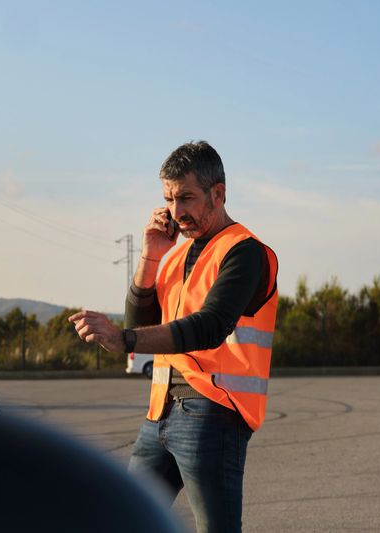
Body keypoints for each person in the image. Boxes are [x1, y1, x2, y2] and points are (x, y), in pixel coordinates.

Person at [69, 141, 278, 533]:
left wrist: (123, 339)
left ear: (218, 194)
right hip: (160, 411)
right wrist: (151, 254)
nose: (177, 211)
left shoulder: (244, 252)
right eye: (169, 199)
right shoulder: (175, 256)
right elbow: (139, 321)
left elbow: (210, 326)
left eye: (186, 197)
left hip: (213, 412)